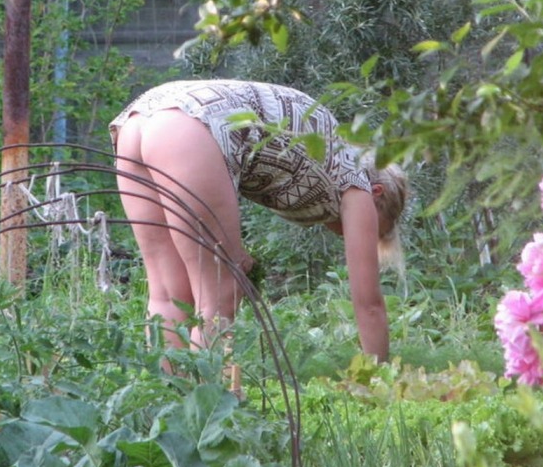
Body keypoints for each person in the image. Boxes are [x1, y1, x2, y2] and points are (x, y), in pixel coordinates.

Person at [109, 79, 408, 363]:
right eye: (373, 230)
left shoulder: (332, 155)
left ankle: (166, 394)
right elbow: (369, 306)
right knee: (219, 294)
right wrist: (380, 377)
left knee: (168, 294)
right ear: (377, 194)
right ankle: (209, 396)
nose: (348, 236)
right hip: (190, 126)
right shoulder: (357, 183)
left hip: (139, 122)